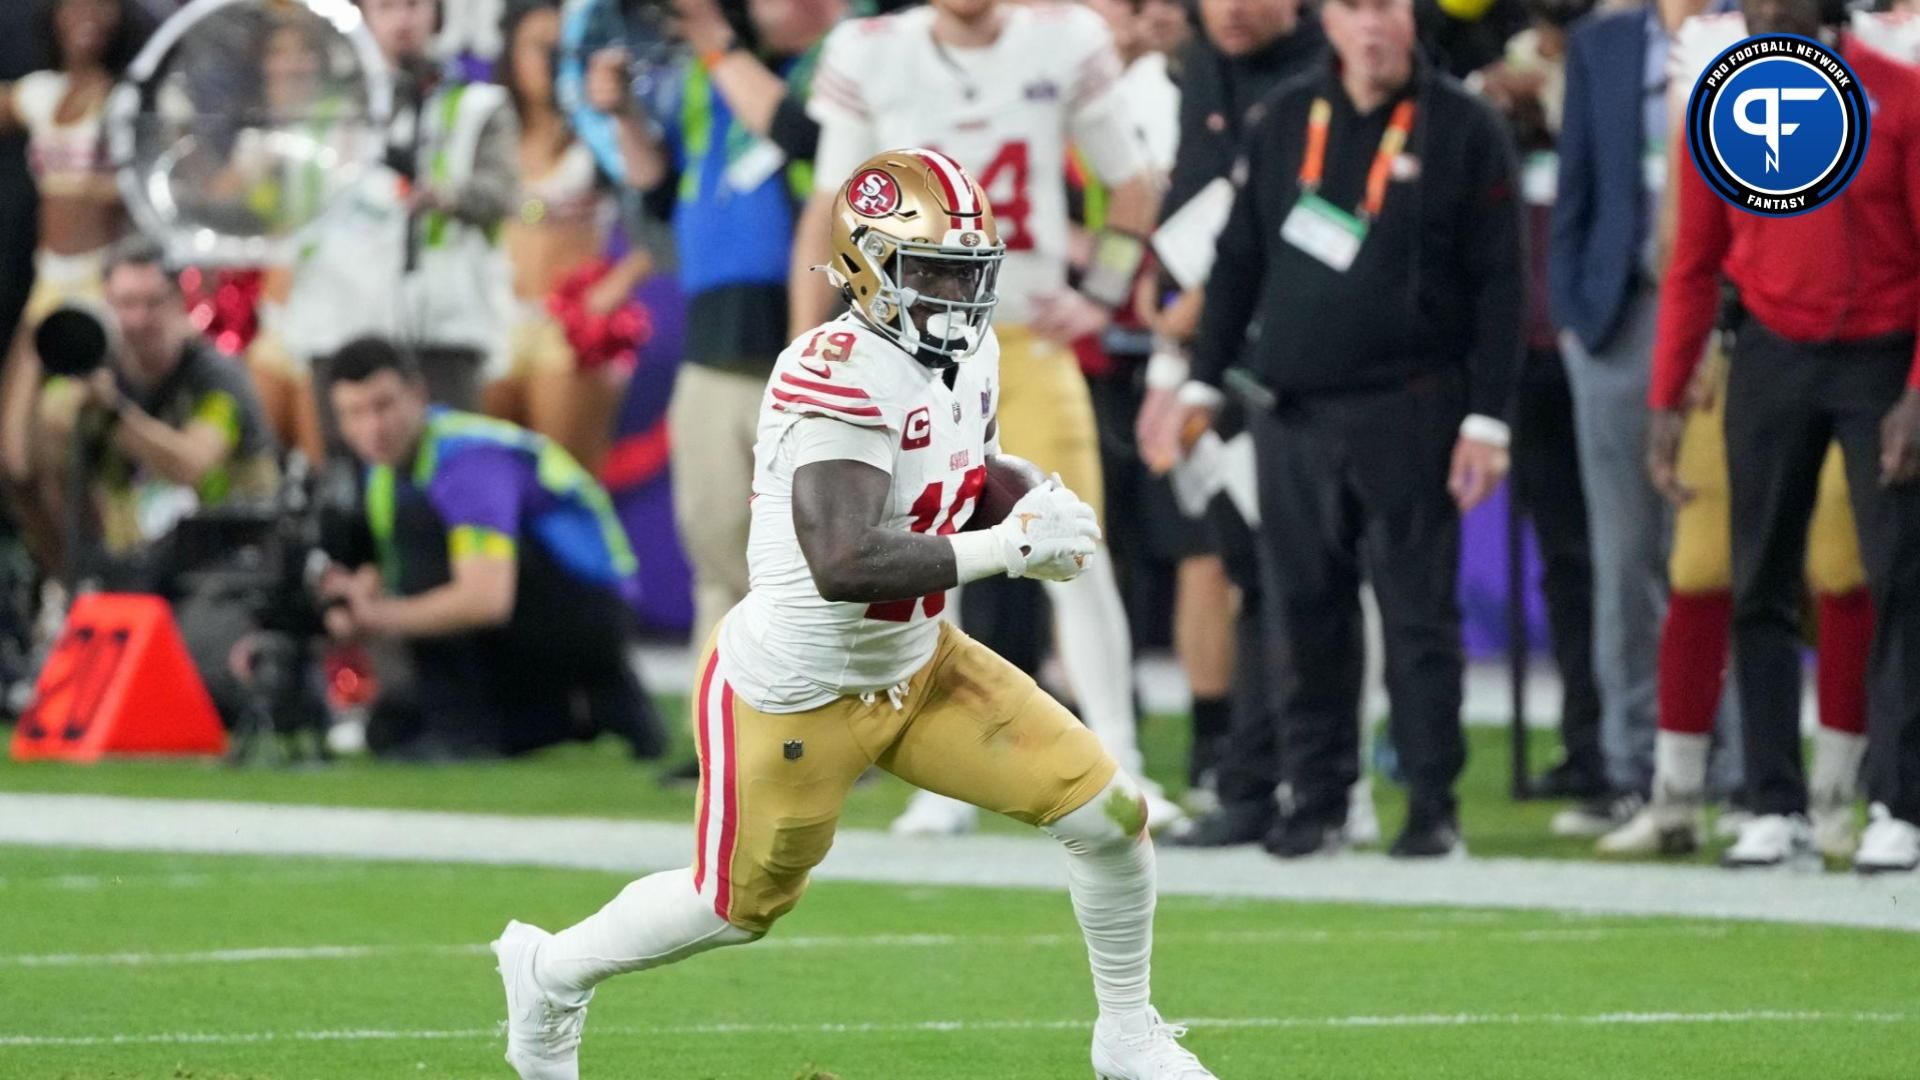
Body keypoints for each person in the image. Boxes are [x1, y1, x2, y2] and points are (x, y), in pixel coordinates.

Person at [491, 148, 1216, 1080]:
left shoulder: (969, 349)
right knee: (732, 906)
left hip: (915, 664)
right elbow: (842, 558)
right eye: (934, 272)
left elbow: (972, 472)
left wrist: (1035, 501)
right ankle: (548, 974)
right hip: (795, 688)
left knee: (1109, 815)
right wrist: (1005, 550)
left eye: (970, 271)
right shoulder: (833, 371)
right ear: (869, 266)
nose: (958, 293)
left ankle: (1127, 1035)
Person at [794, 0, 1185, 836]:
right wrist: (811, 352)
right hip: (903, 344)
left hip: (1024, 336)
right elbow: (828, 209)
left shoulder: (1065, 38)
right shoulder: (870, 51)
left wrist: (1102, 297)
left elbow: (1134, 183)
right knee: (922, 562)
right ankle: (943, 772)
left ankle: (1120, 759)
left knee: (1076, 547)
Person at [1176, 0, 1524, 857]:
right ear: (1325, 21)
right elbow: (1238, 261)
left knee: (1416, 617)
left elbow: (1504, 286)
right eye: (1354, 10)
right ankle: (1317, 798)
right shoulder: (1287, 117)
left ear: (1414, 19)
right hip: (1292, 410)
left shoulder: (1466, 127)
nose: (1373, 29)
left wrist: (1488, 420)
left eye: (1388, 10)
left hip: (1414, 405)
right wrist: (1197, 382)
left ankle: (1432, 805)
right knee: (1304, 612)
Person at [1594, 0, 1919, 861]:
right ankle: (1775, 804)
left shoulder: (1901, 95)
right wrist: (1667, 400)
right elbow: (1695, 261)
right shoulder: (1727, 103)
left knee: (1896, 578)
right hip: (1769, 353)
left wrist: (1919, 390)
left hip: (1881, 357)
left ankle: (1900, 803)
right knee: (1758, 577)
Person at [585, 0, 845, 654]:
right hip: (712, 331)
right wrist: (622, 118)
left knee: (816, 543)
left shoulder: (843, 59)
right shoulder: (707, 75)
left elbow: (806, 135)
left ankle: (836, 713)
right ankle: (722, 732)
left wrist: (716, 43)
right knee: (712, 533)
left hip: (807, 333)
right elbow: (664, 196)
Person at [321, 336, 665, 763]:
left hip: (586, 608)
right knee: (392, 728)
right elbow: (390, 571)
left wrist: (377, 617)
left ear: (418, 394)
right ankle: (586, 711)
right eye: (354, 413)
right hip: (540, 615)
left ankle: (463, 730)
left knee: (424, 536)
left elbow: (485, 600)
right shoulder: (387, 472)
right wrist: (353, 599)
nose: (371, 428)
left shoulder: (466, 460)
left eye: (383, 406)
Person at [268, 0, 518, 447]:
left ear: (436, 14)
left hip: (441, 328)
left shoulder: (478, 105)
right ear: (363, 16)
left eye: (413, 5)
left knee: (451, 468)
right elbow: (285, 206)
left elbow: (504, 193)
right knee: (347, 490)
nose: (402, 20)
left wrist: (445, 196)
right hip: (338, 320)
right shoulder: (325, 109)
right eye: (386, 6)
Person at [1471, 0, 1607, 813]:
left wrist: (1550, 91)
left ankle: (1661, 743)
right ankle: (1588, 741)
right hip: (1528, 348)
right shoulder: (1505, 69)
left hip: (1607, 339)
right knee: (1566, 559)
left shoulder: (1628, 55)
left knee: (1641, 561)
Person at [31, 238, 279, 573]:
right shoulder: (98, 374)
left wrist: (114, 415)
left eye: (153, 303)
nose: (139, 320)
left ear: (180, 300)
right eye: (126, 304)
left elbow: (193, 465)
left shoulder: (216, 374)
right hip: (138, 567)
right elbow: (30, 462)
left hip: (231, 563)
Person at [485, 0, 651, 475]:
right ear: (512, 54)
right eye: (538, 48)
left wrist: (608, 292)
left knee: (566, 482)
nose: (549, 61)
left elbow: (659, 226)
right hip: (495, 321)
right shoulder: (488, 130)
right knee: (493, 484)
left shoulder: (599, 133)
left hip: (567, 328)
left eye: (562, 49)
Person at [0, 0, 149, 492]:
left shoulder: (130, 100)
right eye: (78, 5)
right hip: (49, 282)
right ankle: (63, 567)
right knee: (14, 455)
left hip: (101, 285)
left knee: (70, 434)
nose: (90, 16)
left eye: (103, 8)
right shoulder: (44, 94)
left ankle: (103, 559)